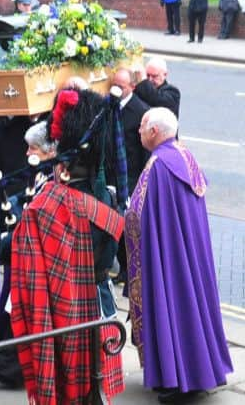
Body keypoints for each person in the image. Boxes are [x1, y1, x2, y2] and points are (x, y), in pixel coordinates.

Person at [10, 88, 126, 404]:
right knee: (96, 395)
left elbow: (28, 278)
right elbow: (114, 262)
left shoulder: (46, 204)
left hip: (63, 315)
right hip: (102, 311)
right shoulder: (110, 199)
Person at [125, 107, 233, 403]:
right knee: (192, 304)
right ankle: (197, 372)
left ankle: (179, 379)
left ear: (154, 132)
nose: (139, 130)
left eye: (143, 125)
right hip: (188, 248)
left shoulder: (159, 165)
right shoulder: (183, 154)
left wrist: (124, 214)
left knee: (173, 303)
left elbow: (138, 213)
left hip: (168, 253)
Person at [0, 120, 55, 388]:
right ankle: (9, 368)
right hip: (25, 253)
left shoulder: (54, 176)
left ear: (49, 152)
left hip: (37, 257)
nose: (27, 153)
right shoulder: (42, 173)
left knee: (19, 313)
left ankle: (12, 369)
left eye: (33, 148)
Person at [111, 68, 150, 285]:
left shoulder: (140, 112)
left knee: (129, 228)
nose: (115, 89)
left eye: (121, 86)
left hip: (132, 178)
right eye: (114, 84)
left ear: (132, 87)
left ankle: (128, 271)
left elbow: (145, 153)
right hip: (113, 177)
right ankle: (123, 268)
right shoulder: (111, 106)